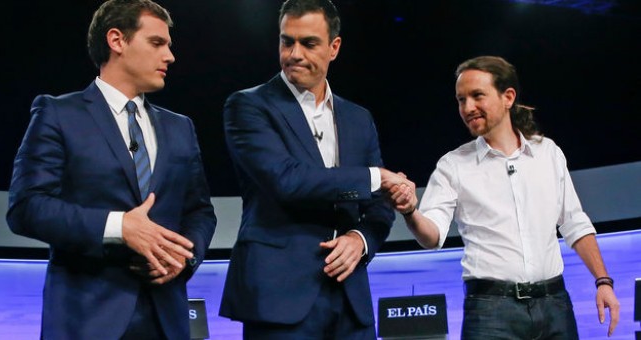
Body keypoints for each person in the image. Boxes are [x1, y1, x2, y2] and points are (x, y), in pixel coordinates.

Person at [6, 0, 217, 338]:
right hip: (87, 321)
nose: (170, 56)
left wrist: (185, 259)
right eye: (157, 43)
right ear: (117, 40)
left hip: (167, 321)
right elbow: (26, 208)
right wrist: (120, 226)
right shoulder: (58, 114)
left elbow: (200, 212)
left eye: (169, 45)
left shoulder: (181, 128)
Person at [387, 55, 620, 339]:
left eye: (477, 96)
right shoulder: (453, 165)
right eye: (461, 100)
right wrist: (411, 211)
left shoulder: (548, 153)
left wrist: (603, 281)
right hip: (490, 312)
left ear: (508, 97)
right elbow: (432, 236)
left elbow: (574, 223)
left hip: (554, 303)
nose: (467, 107)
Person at [218, 0, 409, 338]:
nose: (294, 54)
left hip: (351, 300)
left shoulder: (358, 118)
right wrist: (376, 178)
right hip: (279, 299)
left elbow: (379, 205)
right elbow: (287, 181)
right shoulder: (249, 106)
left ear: (334, 48)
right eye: (286, 41)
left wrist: (360, 240)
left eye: (308, 43)